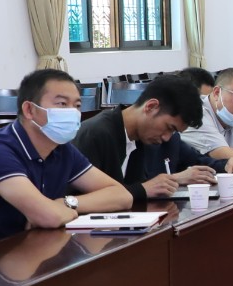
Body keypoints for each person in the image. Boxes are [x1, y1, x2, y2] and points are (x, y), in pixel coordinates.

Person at [0, 69, 132, 242]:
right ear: (29, 110)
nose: (72, 112)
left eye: (77, 105)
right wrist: (55, 211)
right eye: (62, 104)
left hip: (35, 245)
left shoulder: (61, 149)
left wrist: (65, 203)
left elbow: (122, 196)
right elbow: (49, 217)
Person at [73, 74, 221, 203]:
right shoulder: (95, 134)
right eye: (169, 128)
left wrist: (227, 165)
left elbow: (198, 160)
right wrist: (143, 189)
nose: (167, 138)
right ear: (151, 107)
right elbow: (79, 199)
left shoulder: (144, 137)